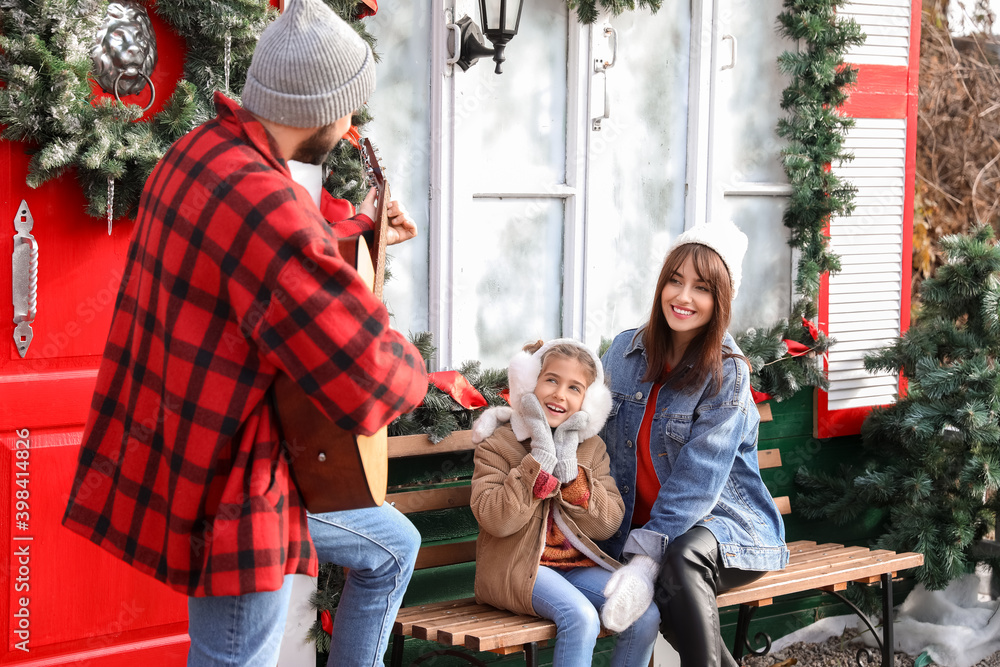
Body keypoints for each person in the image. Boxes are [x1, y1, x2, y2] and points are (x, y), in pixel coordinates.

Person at [61, 1, 428, 665]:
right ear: (321, 107)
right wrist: (415, 365)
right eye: (350, 110)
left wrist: (355, 228)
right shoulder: (266, 205)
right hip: (236, 482)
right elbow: (368, 377)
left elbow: (257, 263)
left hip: (192, 447)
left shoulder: (201, 152)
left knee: (390, 545)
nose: (350, 129)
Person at [596, 221, 789, 667]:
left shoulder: (729, 372)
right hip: (638, 534)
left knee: (677, 562)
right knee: (671, 571)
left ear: (720, 300)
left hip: (727, 528)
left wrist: (645, 559)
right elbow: (589, 429)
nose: (683, 298)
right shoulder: (624, 352)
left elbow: (699, 480)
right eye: (675, 281)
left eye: (701, 288)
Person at [469, 338, 660, 667]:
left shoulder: (591, 448)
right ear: (531, 383)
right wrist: (539, 458)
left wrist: (573, 477)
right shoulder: (499, 443)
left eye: (575, 388)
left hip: (574, 569)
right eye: (552, 380)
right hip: (516, 570)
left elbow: (607, 524)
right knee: (582, 617)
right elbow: (495, 519)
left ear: (589, 403)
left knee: (644, 613)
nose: (559, 394)